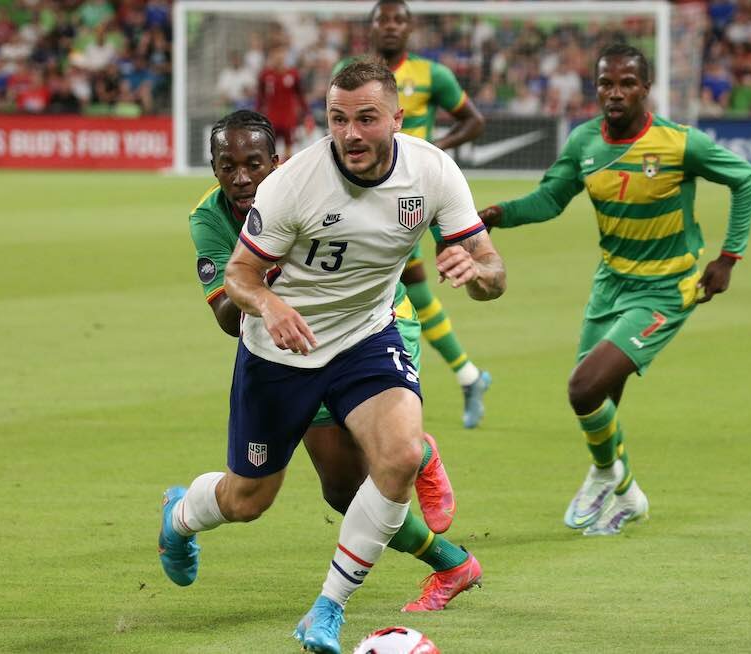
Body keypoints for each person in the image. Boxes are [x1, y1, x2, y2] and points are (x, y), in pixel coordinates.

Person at [166, 61, 505, 654]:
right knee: (250, 500)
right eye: (338, 119)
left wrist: (477, 273)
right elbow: (240, 277)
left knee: (396, 456)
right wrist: (268, 305)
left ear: (397, 120)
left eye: (366, 119)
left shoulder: (434, 172)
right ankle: (181, 516)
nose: (350, 133)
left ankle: (327, 608)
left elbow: (492, 270)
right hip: (279, 354)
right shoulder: (293, 183)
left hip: (364, 338)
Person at [478, 44, 751, 537]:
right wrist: (501, 214)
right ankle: (614, 484)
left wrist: (728, 258)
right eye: (606, 83)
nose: (615, 93)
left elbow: (746, 179)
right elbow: (550, 199)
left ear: (646, 88)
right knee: (600, 394)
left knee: (582, 387)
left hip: (667, 289)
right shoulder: (586, 141)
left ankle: (620, 483)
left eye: (627, 83)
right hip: (610, 282)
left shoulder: (679, 143)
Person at [335, 0, 491, 429]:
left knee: (412, 282)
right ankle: (466, 374)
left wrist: (436, 152)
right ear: (370, 28)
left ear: (409, 28)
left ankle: (406, 384)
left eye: (398, 20)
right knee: (414, 288)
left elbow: (473, 120)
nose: (390, 26)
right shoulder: (351, 72)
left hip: (414, 196)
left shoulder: (431, 74)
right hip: (368, 193)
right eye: (382, 19)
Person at [256, 45, 310, 161]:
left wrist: (306, 113)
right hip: (272, 117)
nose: (278, 57)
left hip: (288, 118)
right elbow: (260, 97)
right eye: (275, 54)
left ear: (285, 55)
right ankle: (271, 172)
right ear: (271, 56)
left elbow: (300, 95)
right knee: (270, 146)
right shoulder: (265, 75)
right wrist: (257, 114)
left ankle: (288, 170)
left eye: (281, 53)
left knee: (289, 146)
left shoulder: (293, 74)